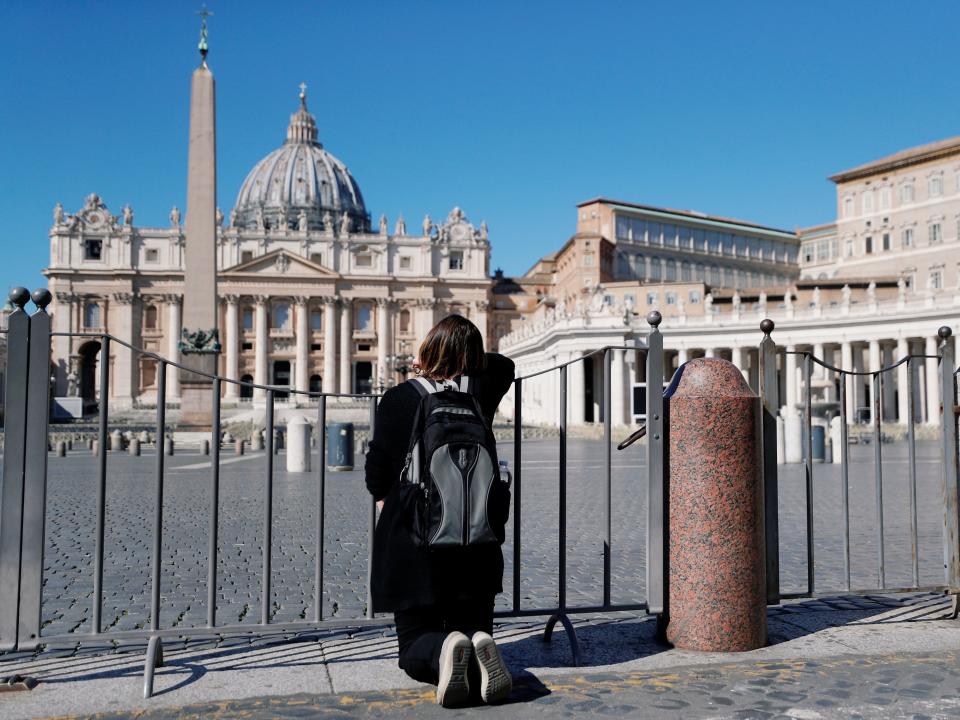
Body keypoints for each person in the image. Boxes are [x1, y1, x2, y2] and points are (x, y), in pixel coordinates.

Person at [365, 314, 515, 707]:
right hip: (477, 539)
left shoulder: (401, 397)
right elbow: (505, 365)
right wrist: (466, 360)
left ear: (426, 350)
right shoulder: (483, 390)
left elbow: (377, 472)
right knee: (474, 624)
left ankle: (443, 649)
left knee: (414, 644)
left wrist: (426, 367)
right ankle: (478, 642)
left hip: (416, 539)